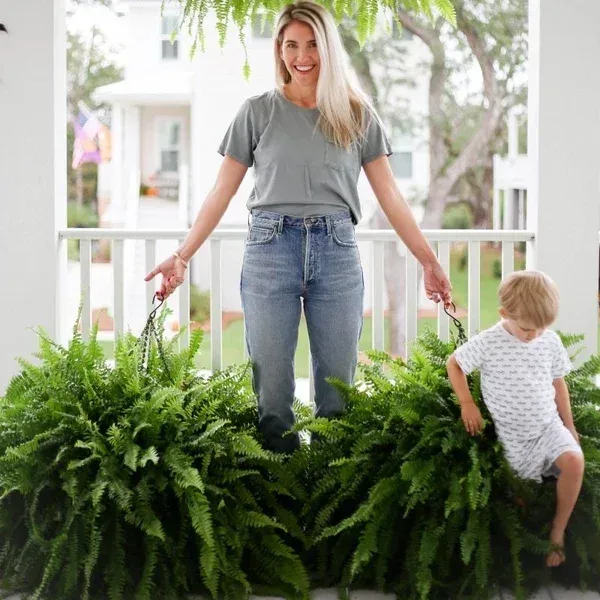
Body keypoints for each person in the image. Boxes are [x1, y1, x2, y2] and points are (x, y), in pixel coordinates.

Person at [145, 0, 452, 454]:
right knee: (271, 394)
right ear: (279, 49)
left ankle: (327, 488)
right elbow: (221, 191)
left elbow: (390, 195)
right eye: (291, 45)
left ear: (328, 49)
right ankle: (280, 485)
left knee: (337, 394)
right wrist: (182, 254)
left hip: (336, 250)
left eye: (312, 45)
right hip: (270, 250)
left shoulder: (357, 114)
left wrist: (428, 260)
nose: (302, 56)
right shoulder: (257, 112)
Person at [446, 270, 584, 568]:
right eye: (527, 328)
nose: (534, 335)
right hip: (513, 438)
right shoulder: (490, 342)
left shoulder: (549, 341)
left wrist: (569, 425)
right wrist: (467, 403)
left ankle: (558, 530)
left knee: (575, 461)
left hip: (548, 427)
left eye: (541, 328)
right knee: (519, 503)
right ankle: (522, 559)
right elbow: (454, 364)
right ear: (504, 314)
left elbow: (558, 383)